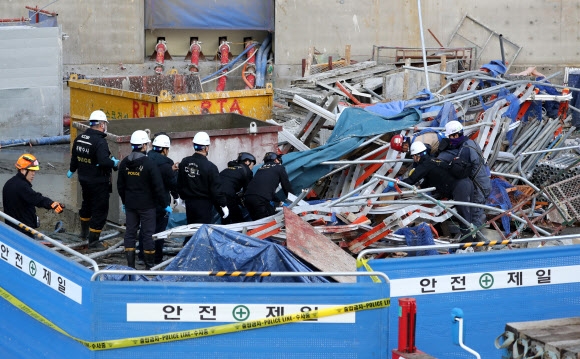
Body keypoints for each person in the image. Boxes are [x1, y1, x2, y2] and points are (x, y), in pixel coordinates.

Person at [387, 142, 473, 239]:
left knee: (464, 216)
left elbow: (411, 180)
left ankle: (468, 241)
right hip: (466, 183)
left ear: (416, 156)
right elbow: (429, 179)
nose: (413, 159)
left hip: (459, 187)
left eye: (413, 157)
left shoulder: (425, 165)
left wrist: (396, 183)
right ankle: (469, 238)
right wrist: (421, 188)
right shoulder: (434, 160)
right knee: (467, 213)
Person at [117, 130, 170, 269]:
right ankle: (149, 267)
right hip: (147, 206)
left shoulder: (124, 163)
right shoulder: (149, 164)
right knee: (148, 235)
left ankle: (130, 266)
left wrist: (124, 201)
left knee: (130, 233)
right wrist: (165, 204)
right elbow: (158, 187)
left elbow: (120, 186)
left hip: (130, 205)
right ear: (144, 146)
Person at [68, 110, 119, 249]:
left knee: (87, 204)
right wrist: (113, 163)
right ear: (102, 124)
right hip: (98, 181)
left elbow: (75, 158)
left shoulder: (80, 138)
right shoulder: (100, 141)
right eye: (105, 124)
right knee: (100, 210)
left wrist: (72, 170)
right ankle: (94, 241)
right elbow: (103, 161)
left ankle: (84, 233)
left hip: (84, 179)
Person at [439, 121, 492, 233]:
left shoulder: (465, 149)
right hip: (485, 182)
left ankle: (474, 244)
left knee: (473, 217)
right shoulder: (471, 143)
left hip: (479, 187)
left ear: (455, 135)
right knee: (476, 214)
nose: (450, 140)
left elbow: (460, 171)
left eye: (450, 137)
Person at [177, 131, 228, 245]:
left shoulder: (185, 162)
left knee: (191, 229)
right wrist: (223, 204)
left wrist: (181, 197)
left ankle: (187, 252)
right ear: (206, 148)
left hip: (189, 203)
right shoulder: (210, 167)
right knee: (202, 231)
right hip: (204, 204)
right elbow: (216, 190)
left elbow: (180, 181)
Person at [136, 133, 179, 265]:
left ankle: (142, 255)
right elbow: (173, 183)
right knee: (159, 232)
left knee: (145, 228)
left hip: (144, 201)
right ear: (165, 149)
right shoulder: (167, 165)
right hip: (160, 203)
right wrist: (174, 173)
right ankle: (156, 258)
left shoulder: (145, 159)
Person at [2, 154, 65, 238]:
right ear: (23, 170)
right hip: (23, 233)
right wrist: (51, 204)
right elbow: (36, 199)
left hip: (12, 230)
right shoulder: (22, 186)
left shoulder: (10, 183)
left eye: (34, 171)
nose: (33, 174)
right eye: (31, 171)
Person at [244, 152, 293, 221]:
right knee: (272, 221)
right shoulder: (279, 168)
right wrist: (294, 200)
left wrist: (278, 201)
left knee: (257, 223)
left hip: (247, 198)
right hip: (260, 200)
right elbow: (286, 186)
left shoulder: (260, 169)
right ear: (276, 160)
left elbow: (265, 190)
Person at [219, 152, 256, 224]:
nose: (252, 167)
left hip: (215, 194)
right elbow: (248, 190)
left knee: (225, 217)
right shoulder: (247, 170)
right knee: (238, 218)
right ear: (247, 162)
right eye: (252, 164)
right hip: (227, 194)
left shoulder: (228, 169)